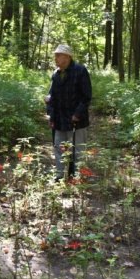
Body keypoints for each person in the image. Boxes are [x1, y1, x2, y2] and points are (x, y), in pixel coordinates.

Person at [45, 44, 92, 180]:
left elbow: (86, 96)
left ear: (67, 57)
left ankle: (77, 177)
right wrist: (51, 115)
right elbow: (51, 97)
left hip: (77, 120)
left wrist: (77, 114)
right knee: (59, 148)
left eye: (58, 55)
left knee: (77, 150)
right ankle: (59, 176)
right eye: (55, 55)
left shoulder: (80, 70)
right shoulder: (55, 74)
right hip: (59, 119)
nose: (56, 58)